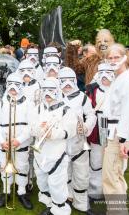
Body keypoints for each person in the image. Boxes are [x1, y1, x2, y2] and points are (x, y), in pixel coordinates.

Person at [29, 77, 77, 215]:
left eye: (51, 90)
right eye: (45, 90)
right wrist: (40, 129)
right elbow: (31, 127)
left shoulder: (66, 110)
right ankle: (50, 205)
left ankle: (60, 209)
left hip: (56, 153)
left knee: (57, 183)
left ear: (57, 91)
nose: (47, 94)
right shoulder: (37, 108)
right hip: (40, 153)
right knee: (42, 179)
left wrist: (53, 133)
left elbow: (70, 131)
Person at [102, 44, 129, 214]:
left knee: (111, 177)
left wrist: (123, 139)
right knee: (116, 175)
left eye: (116, 57)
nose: (113, 60)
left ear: (124, 57)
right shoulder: (119, 78)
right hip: (113, 132)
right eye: (110, 57)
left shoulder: (127, 80)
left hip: (118, 134)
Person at [58, 67, 97, 214]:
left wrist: (86, 127)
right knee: (63, 174)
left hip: (79, 143)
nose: (67, 84)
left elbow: (91, 115)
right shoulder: (55, 96)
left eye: (70, 81)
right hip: (60, 144)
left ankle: (81, 203)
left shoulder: (83, 97)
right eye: (63, 81)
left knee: (81, 175)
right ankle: (66, 198)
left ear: (74, 81)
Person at [0, 73, 33, 210]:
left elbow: (30, 125)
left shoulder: (28, 102)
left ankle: (22, 192)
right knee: (5, 167)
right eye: (10, 84)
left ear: (21, 86)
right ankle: (6, 192)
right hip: (4, 143)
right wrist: (0, 140)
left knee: (22, 167)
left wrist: (20, 140)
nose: (12, 87)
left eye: (16, 84)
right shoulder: (0, 102)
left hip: (21, 142)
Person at [86, 62, 115, 200]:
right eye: (101, 73)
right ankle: (95, 190)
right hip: (97, 127)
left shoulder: (118, 89)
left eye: (108, 73)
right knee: (96, 160)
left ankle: (110, 190)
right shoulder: (92, 90)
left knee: (111, 160)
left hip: (114, 128)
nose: (104, 77)